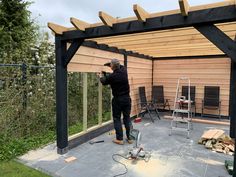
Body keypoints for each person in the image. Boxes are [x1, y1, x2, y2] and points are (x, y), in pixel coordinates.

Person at [98, 58, 132, 145]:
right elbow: (119, 66)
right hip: (127, 99)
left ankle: (119, 139)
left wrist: (100, 76)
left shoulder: (112, 77)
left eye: (111, 65)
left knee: (117, 118)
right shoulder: (124, 71)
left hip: (118, 100)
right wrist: (111, 65)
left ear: (113, 66)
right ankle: (129, 137)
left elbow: (104, 81)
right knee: (127, 118)